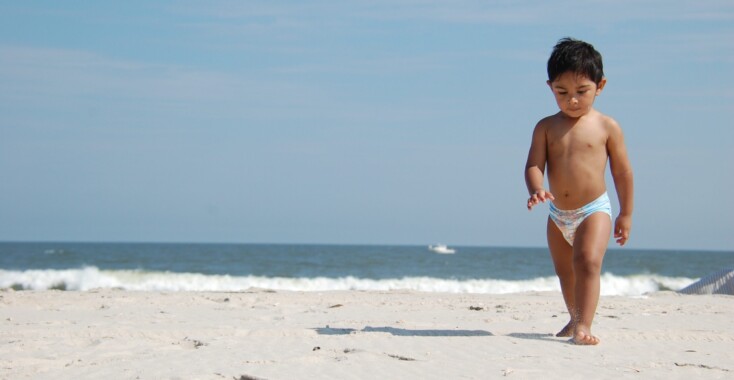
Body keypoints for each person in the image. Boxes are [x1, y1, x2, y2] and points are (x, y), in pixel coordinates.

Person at [524, 38, 634, 345]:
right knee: (565, 273)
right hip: (558, 213)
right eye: (563, 92)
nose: (572, 100)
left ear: (600, 86)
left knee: (586, 262)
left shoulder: (606, 126)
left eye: (581, 92)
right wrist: (537, 188)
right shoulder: (545, 127)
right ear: (550, 88)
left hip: (593, 209)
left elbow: (622, 172)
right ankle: (574, 317)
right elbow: (534, 165)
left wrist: (625, 213)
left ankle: (584, 325)